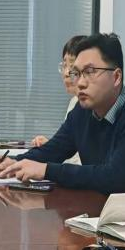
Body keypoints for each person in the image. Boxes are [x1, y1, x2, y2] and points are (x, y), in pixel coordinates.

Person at [0, 33, 125, 223]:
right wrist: (14, 162)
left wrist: (46, 170)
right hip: (107, 213)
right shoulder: (83, 110)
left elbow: (114, 177)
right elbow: (54, 149)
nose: (80, 83)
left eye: (90, 72)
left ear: (116, 77)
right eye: (76, 73)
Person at [30, 35, 87, 166]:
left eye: (72, 66)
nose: (66, 73)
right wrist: (51, 147)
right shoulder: (74, 102)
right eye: (64, 65)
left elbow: (83, 162)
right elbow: (71, 150)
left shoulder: (90, 104)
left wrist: (51, 163)